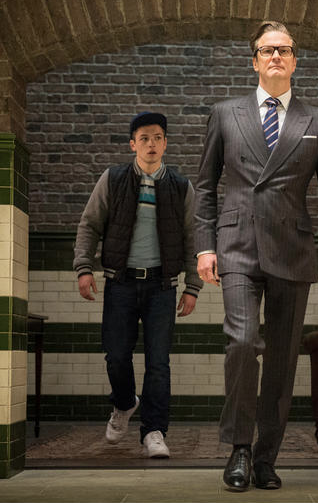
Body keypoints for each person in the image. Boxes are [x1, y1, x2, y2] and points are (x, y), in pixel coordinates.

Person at [194, 21, 318, 490]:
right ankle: (239, 448)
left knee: (284, 360)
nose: (276, 57)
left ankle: (266, 457)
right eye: (267, 50)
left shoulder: (316, 121)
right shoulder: (225, 114)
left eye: (284, 50)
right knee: (243, 342)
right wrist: (204, 245)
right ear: (254, 61)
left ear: (294, 61)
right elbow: (205, 186)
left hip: (292, 247)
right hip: (237, 246)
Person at [73, 111, 202, 458]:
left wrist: (192, 286)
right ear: (133, 144)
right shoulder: (113, 179)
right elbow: (89, 224)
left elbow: (193, 238)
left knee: (159, 362)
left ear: (166, 144)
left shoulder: (180, 187)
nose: (151, 144)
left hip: (162, 286)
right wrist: (84, 267)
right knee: (117, 356)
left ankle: (154, 432)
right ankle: (124, 402)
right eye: (144, 138)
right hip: (121, 284)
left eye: (157, 137)